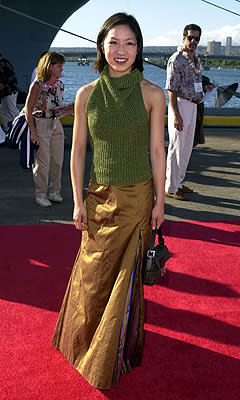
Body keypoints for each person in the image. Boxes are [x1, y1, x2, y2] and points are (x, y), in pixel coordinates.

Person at [51, 12, 166, 389]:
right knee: (92, 275)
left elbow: (157, 151)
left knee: (123, 280)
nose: (121, 50)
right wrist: (77, 201)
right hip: (97, 197)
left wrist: (160, 202)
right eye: (114, 42)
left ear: (139, 49)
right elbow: (79, 149)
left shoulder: (152, 94)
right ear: (101, 45)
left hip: (137, 200)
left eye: (129, 43)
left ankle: (112, 357)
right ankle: (83, 342)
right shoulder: (87, 94)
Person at [25, 51, 73, 207]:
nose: (61, 69)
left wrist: (68, 110)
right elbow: (28, 108)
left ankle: (54, 191)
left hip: (56, 124)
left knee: (58, 160)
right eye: (59, 66)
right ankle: (40, 194)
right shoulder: (37, 85)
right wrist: (33, 131)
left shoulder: (60, 85)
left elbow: (55, 106)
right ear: (49, 66)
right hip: (41, 124)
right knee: (43, 162)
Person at [165, 24, 203, 201]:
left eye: (197, 38)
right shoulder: (177, 59)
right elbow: (171, 89)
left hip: (193, 105)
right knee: (176, 147)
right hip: (180, 105)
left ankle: (179, 182)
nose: (193, 41)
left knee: (186, 147)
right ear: (183, 38)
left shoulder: (195, 59)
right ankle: (171, 187)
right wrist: (176, 114)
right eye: (190, 38)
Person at [193, 75, 215, 147]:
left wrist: (209, 85)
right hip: (188, 103)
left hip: (198, 104)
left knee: (197, 124)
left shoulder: (198, 71)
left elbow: (203, 80)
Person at [0, 53, 19, 132]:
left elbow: (7, 78)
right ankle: (11, 128)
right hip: (7, 92)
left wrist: (2, 84)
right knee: (5, 110)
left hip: (8, 91)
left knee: (10, 110)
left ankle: (18, 126)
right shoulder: (5, 63)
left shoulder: (3, 64)